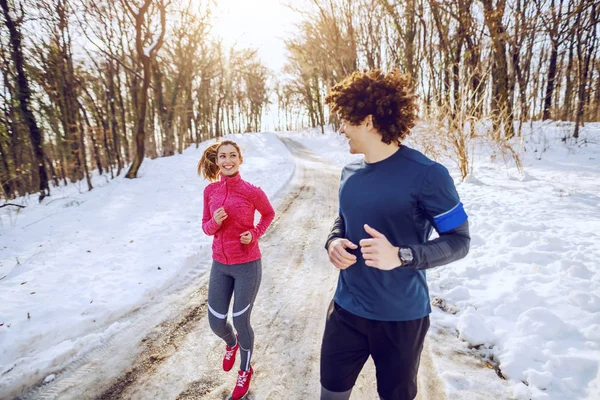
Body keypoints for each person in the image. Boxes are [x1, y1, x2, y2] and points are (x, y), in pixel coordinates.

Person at [320, 69, 470, 400]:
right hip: (345, 310)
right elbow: (344, 218)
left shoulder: (429, 175)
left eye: (346, 120)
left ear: (370, 121)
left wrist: (402, 255)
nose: (341, 128)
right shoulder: (349, 173)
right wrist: (333, 241)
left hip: (401, 319)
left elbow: (460, 241)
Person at [199, 139, 275, 400]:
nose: (227, 160)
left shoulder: (252, 192)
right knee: (216, 322)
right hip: (220, 265)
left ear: (239, 160)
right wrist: (215, 223)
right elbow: (205, 226)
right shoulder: (210, 192)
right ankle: (231, 344)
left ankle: (245, 369)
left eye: (232, 155)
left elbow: (268, 214)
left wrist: (253, 235)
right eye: (223, 156)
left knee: (242, 321)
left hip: (247, 265)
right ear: (217, 161)